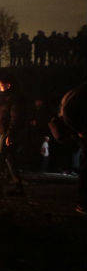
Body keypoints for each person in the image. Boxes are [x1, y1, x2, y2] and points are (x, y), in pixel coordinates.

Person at [49, 82, 87, 214]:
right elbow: (68, 112)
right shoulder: (76, 98)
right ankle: (83, 202)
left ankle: (82, 202)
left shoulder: (76, 95)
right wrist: (80, 131)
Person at [0, 77, 24, 195]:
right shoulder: (1, 100)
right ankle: (18, 187)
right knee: (9, 159)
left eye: (1, 86)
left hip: (6, 133)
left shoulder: (13, 100)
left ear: (8, 85)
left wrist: (10, 134)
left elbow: (15, 119)